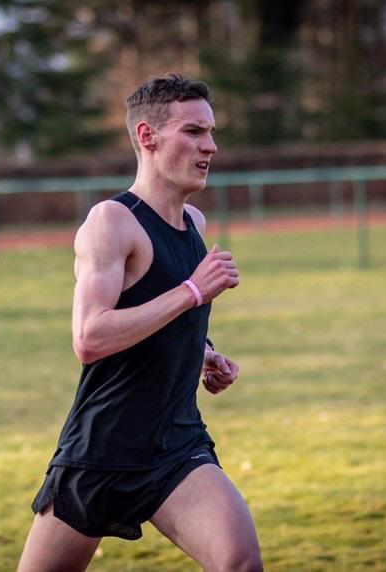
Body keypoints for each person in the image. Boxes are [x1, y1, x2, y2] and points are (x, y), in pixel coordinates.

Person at [17, 74, 263, 572]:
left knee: (239, 562)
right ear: (148, 136)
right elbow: (90, 337)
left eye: (211, 132)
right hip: (103, 447)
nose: (210, 146)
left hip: (176, 443)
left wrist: (203, 352)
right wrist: (193, 291)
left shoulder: (194, 223)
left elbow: (162, 317)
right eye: (193, 132)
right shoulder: (112, 221)